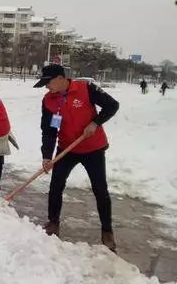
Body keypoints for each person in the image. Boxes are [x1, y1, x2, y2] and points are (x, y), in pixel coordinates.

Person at [34, 64, 119, 252]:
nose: (46, 87)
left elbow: (112, 105)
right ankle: (53, 223)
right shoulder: (49, 101)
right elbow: (48, 131)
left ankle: (107, 232)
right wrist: (47, 156)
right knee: (55, 186)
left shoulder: (86, 88)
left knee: (100, 189)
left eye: (48, 83)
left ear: (59, 78)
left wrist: (95, 123)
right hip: (67, 149)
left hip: (92, 148)